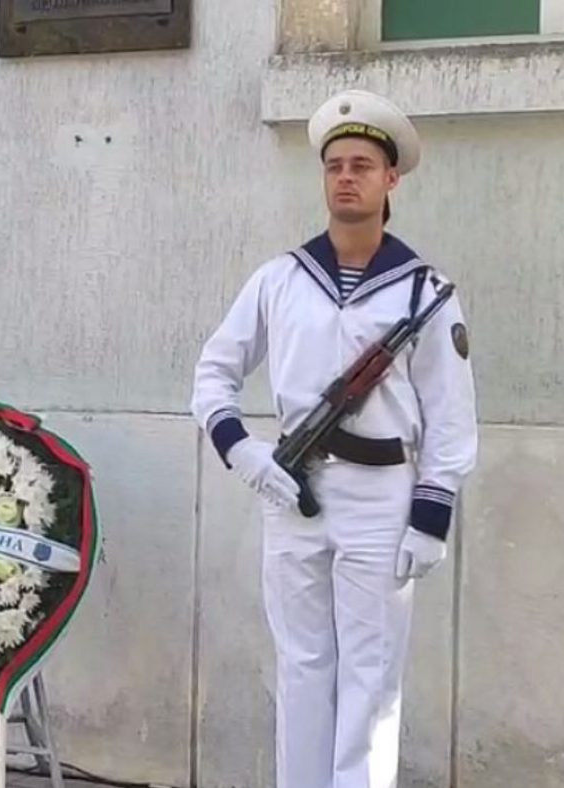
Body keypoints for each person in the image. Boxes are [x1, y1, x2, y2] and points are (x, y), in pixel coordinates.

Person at [189, 89, 478, 788]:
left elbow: (451, 415)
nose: (346, 177)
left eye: (362, 166)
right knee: (303, 667)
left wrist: (431, 515)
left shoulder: (424, 293)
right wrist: (243, 450)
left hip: (382, 498)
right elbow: (213, 373)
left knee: (371, 677)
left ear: (390, 180)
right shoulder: (280, 279)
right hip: (292, 492)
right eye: (334, 166)